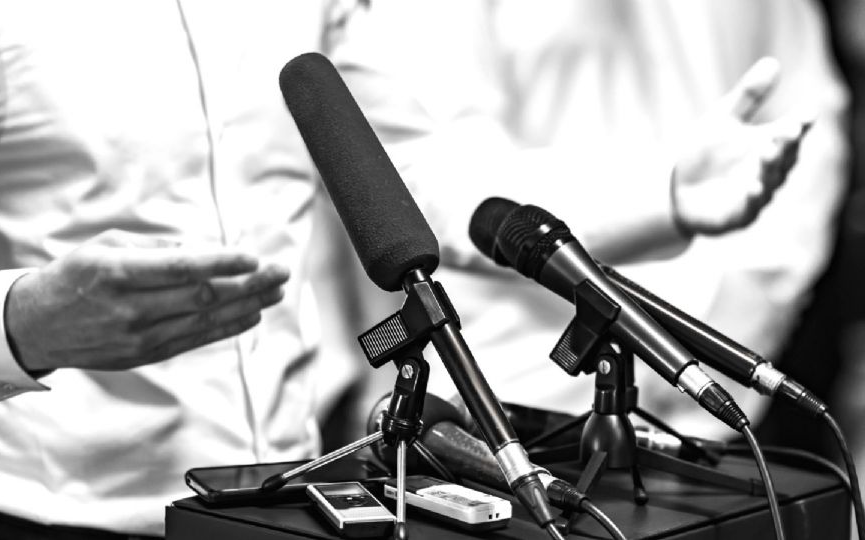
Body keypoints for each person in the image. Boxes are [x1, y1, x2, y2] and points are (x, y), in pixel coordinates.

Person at [0, 1, 816, 538]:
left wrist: (663, 191)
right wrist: (20, 325)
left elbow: (415, 172)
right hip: (27, 517)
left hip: (288, 508)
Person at [330, 0, 848, 443]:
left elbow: (810, 125)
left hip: (721, 403)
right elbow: (431, 178)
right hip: (506, 417)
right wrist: (660, 192)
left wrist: (746, 301)